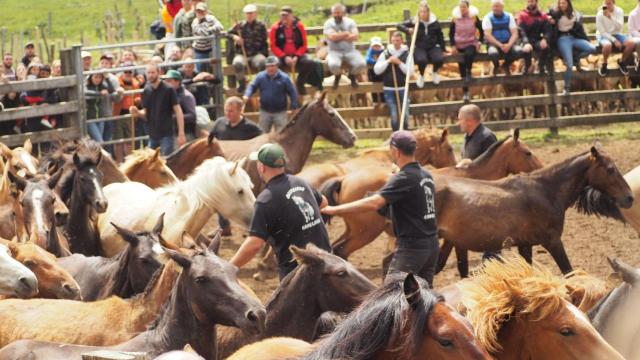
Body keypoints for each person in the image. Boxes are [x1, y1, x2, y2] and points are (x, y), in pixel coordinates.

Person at [322, 131, 439, 286]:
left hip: (412, 249)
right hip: (431, 246)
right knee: (423, 296)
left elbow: (375, 203)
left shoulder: (403, 178)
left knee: (389, 295)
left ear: (396, 151)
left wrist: (334, 210)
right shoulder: (426, 175)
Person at [230, 143, 332, 280]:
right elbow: (324, 202)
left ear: (261, 167)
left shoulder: (265, 200)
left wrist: (230, 266)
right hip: (328, 260)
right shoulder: (300, 182)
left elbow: (254, 244)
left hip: (298, 271)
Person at [208, 96, 263, 236]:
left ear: (240, 111)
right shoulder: (220, 123)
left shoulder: (251, 128)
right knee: (220, 196)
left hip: (242, 170)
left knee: (246, 199)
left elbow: (262, 142)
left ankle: (251, 228)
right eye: (226, 110)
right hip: (223, 169)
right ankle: (223, 227)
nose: (228, 114)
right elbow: (210, 140)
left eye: (231, 111)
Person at [457, 104, 498, 260]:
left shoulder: (487, 137)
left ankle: (492, 259)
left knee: (489, 227)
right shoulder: (468, 136)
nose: (458, 122)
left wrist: (471, 163)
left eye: (460, 119)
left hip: (486, 190)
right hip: (471, 190)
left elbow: (494, 164)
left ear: (469, 121)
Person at [130, 63, 186, 156]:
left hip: (166, 134)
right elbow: (145, 113)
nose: (151, 75)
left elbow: (178, 110)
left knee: (166, 161)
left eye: (153, 72)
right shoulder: (146, 90)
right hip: (152, 135)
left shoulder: (168, 89)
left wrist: (181, 133)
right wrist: (137, 112)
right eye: (148, 73)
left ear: (158, 73)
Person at [548, 0, 595, 95]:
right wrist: (549, 18)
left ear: (568, 4)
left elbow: (579, 21)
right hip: (563, 39)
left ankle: (576, 58)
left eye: (564, 3)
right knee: (569, 65)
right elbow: (545, 15)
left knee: (592, 48)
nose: (562, 5)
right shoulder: (555, 13)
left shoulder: (574, 14)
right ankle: (567, 87)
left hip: (574, 37)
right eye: (560, 3)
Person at [243, 55, 299, 133]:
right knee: (262, 134)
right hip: (265, 111)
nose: (270, 68)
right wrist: (247, 95)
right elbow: (252, 86)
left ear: (277, 66)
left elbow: (292, 92)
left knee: (281, 135)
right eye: (268, 66)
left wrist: (294, 106)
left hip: (280, 112)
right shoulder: (260, 76)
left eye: (272, 66)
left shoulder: (285, 78)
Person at [397, 1, 445, 87]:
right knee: (421, 60)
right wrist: (408, 30)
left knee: (439, 59)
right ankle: (421, 75)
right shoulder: (415, 21)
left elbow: (440, 35)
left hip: (432, 46)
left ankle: (434, 72)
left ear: (428, 12)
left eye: (424, 12)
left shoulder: (434, 22)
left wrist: (443, 48)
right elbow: (399, 25)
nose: (423, 14)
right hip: (419, 46)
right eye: (421, 12)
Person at [269, 5, 314, 94]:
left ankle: (300, 83)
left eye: (286, 15)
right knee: (275, 64)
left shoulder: (299, 26)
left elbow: (304, 44)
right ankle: (283, 85)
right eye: (282, 15)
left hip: (297, 54)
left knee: (309, 62)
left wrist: (297, 56)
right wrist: (284, 57)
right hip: (282, 55)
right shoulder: (275, 28)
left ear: (291, 16)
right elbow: (273, 46)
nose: (284, 17)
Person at [373, 31, 413, 132]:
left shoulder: (407, 54)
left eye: (398, 40)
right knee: (394, 115)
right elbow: (377, 70)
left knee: (405, 114)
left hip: (403, 88)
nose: (396, 43)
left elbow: (410, 72)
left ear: (401, 41)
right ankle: (396, 134)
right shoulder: (385, 53)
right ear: (391, 41)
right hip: (389, 89)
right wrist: (388, 61)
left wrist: (399, 63)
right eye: (394, 40)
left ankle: (405, 134)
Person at [323, 3, 366, 89]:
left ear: (343, 13)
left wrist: (338, 36)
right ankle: (338, 75)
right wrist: (346, 33)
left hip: (350, 50)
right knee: (333, 65)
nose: (336, 15)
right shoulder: (328, 23)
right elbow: (331, 37)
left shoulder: (350, 22)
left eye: (338, 12)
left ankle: (352, 75)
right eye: (334, 13)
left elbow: (356, 36)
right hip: (334, 51)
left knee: (361, 64)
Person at [229, 4, 269, 93]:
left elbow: (265, 40)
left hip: (256, 54)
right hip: (242, 54)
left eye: (251, 13)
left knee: (262, 62)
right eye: (247, 13)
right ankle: (242, 83)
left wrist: (263, 53)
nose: (249, 15)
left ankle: (260, 84)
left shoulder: (261, 25)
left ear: (255, 14)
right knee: (237, 63)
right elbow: (228, 33)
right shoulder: (239, 25)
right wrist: (235, 37)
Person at [450, 0, 483, 102]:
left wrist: (480, 42)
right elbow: (451, 33)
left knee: (469, 55)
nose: (462, 9)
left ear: (468, 8)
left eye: (464, 7)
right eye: (461, 7)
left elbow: (481, 30)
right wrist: (453, 45)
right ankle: (466, 93)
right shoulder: (455, 19)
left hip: (470, 42)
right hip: (459, 43)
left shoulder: (474, 17)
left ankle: (469, 71)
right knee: (461, 69)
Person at [596, 0, 635, 76]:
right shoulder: (600, 13)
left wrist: (611, 17)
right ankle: (604, 64)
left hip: (616, 33)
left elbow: (620, 27)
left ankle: (622, 62)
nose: (607, 5)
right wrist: (614, 40)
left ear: (614, 3)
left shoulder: (619, 11)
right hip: (603, 35)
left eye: (609, 3)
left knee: (631, 43)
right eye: (605, 3)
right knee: (607, 46)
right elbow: (602, 32)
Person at [112, 62, 142, 161]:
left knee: (129, 140)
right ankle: (119, 162)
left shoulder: (136, 83)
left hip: (130, 114)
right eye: (126, 71)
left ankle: (129, 161)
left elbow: (138, 96)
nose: (128, 74)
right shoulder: (117, 82)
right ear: (122, 72)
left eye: (130, 72)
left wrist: (137, 100)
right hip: (118, 114)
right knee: (118, 140)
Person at [482, 0, 521, 75]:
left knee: (519, 51)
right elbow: (488, 35)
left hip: (508, 43)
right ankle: (496, 66)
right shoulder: (488, 18)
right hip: (493, 44)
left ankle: (505, 65)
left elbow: (515, 33)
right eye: (494, 6)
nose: (495, 8)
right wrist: (500, 45)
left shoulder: (509, 16)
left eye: (497, 6)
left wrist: (509, 45)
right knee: (493, 53)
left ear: (502, 7)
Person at [98, 52, 125, 154]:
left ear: (110, 65)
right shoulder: (93, 76)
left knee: (107, 140)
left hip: (108, 114)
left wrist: (117, 93)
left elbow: (117, 99)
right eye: (102, 62)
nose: (104, 65)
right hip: (95, 115)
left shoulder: (113, 79)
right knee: (98, 140)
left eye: (107, 63)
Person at [517, 0, 553, 75]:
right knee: (526, 50)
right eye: (529, 1)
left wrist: (545, 39)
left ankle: (541, 65)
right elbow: (521, 31)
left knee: (546, 48)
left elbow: (548, 30)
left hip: (536, 39)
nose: (530, 3)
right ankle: (527, 66)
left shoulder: (542, 15)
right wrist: (526, 43)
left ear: (536, 2)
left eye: (532, 1)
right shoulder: (522, 15)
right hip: (525, 39)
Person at [163, 69, 197, 141]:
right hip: (173, 132)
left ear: (177, 82)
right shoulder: (169, 95)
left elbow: (192, 116)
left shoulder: (186, 96)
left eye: (169, 81)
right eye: (166, 80)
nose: (166, 83)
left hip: (186, 133)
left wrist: (172, 117)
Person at [191, 2, 224, 72]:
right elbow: (203, 33)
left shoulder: (211, 18)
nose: (200, 13)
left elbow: (220, 26)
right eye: (198, 11)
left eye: (202, 11)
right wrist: (210, 29)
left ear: (205, 12)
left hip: (210, 51)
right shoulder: (194, 22)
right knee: (200, 71)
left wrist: (209, 29)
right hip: (199, 51)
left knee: (213, 70)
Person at [365, 36, 385, 106]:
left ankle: (383, 100)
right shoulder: (370, 51)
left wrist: (378, 61)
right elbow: (367, 59)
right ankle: (375, 100)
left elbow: (386, 58)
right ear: (371, 46)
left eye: (377, 46)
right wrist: (375, 61)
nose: (376, 47)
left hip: (381, 71)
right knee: (373, 85)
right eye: (374, 46)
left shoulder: (383, 51)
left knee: (382, 85)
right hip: (372, 71)